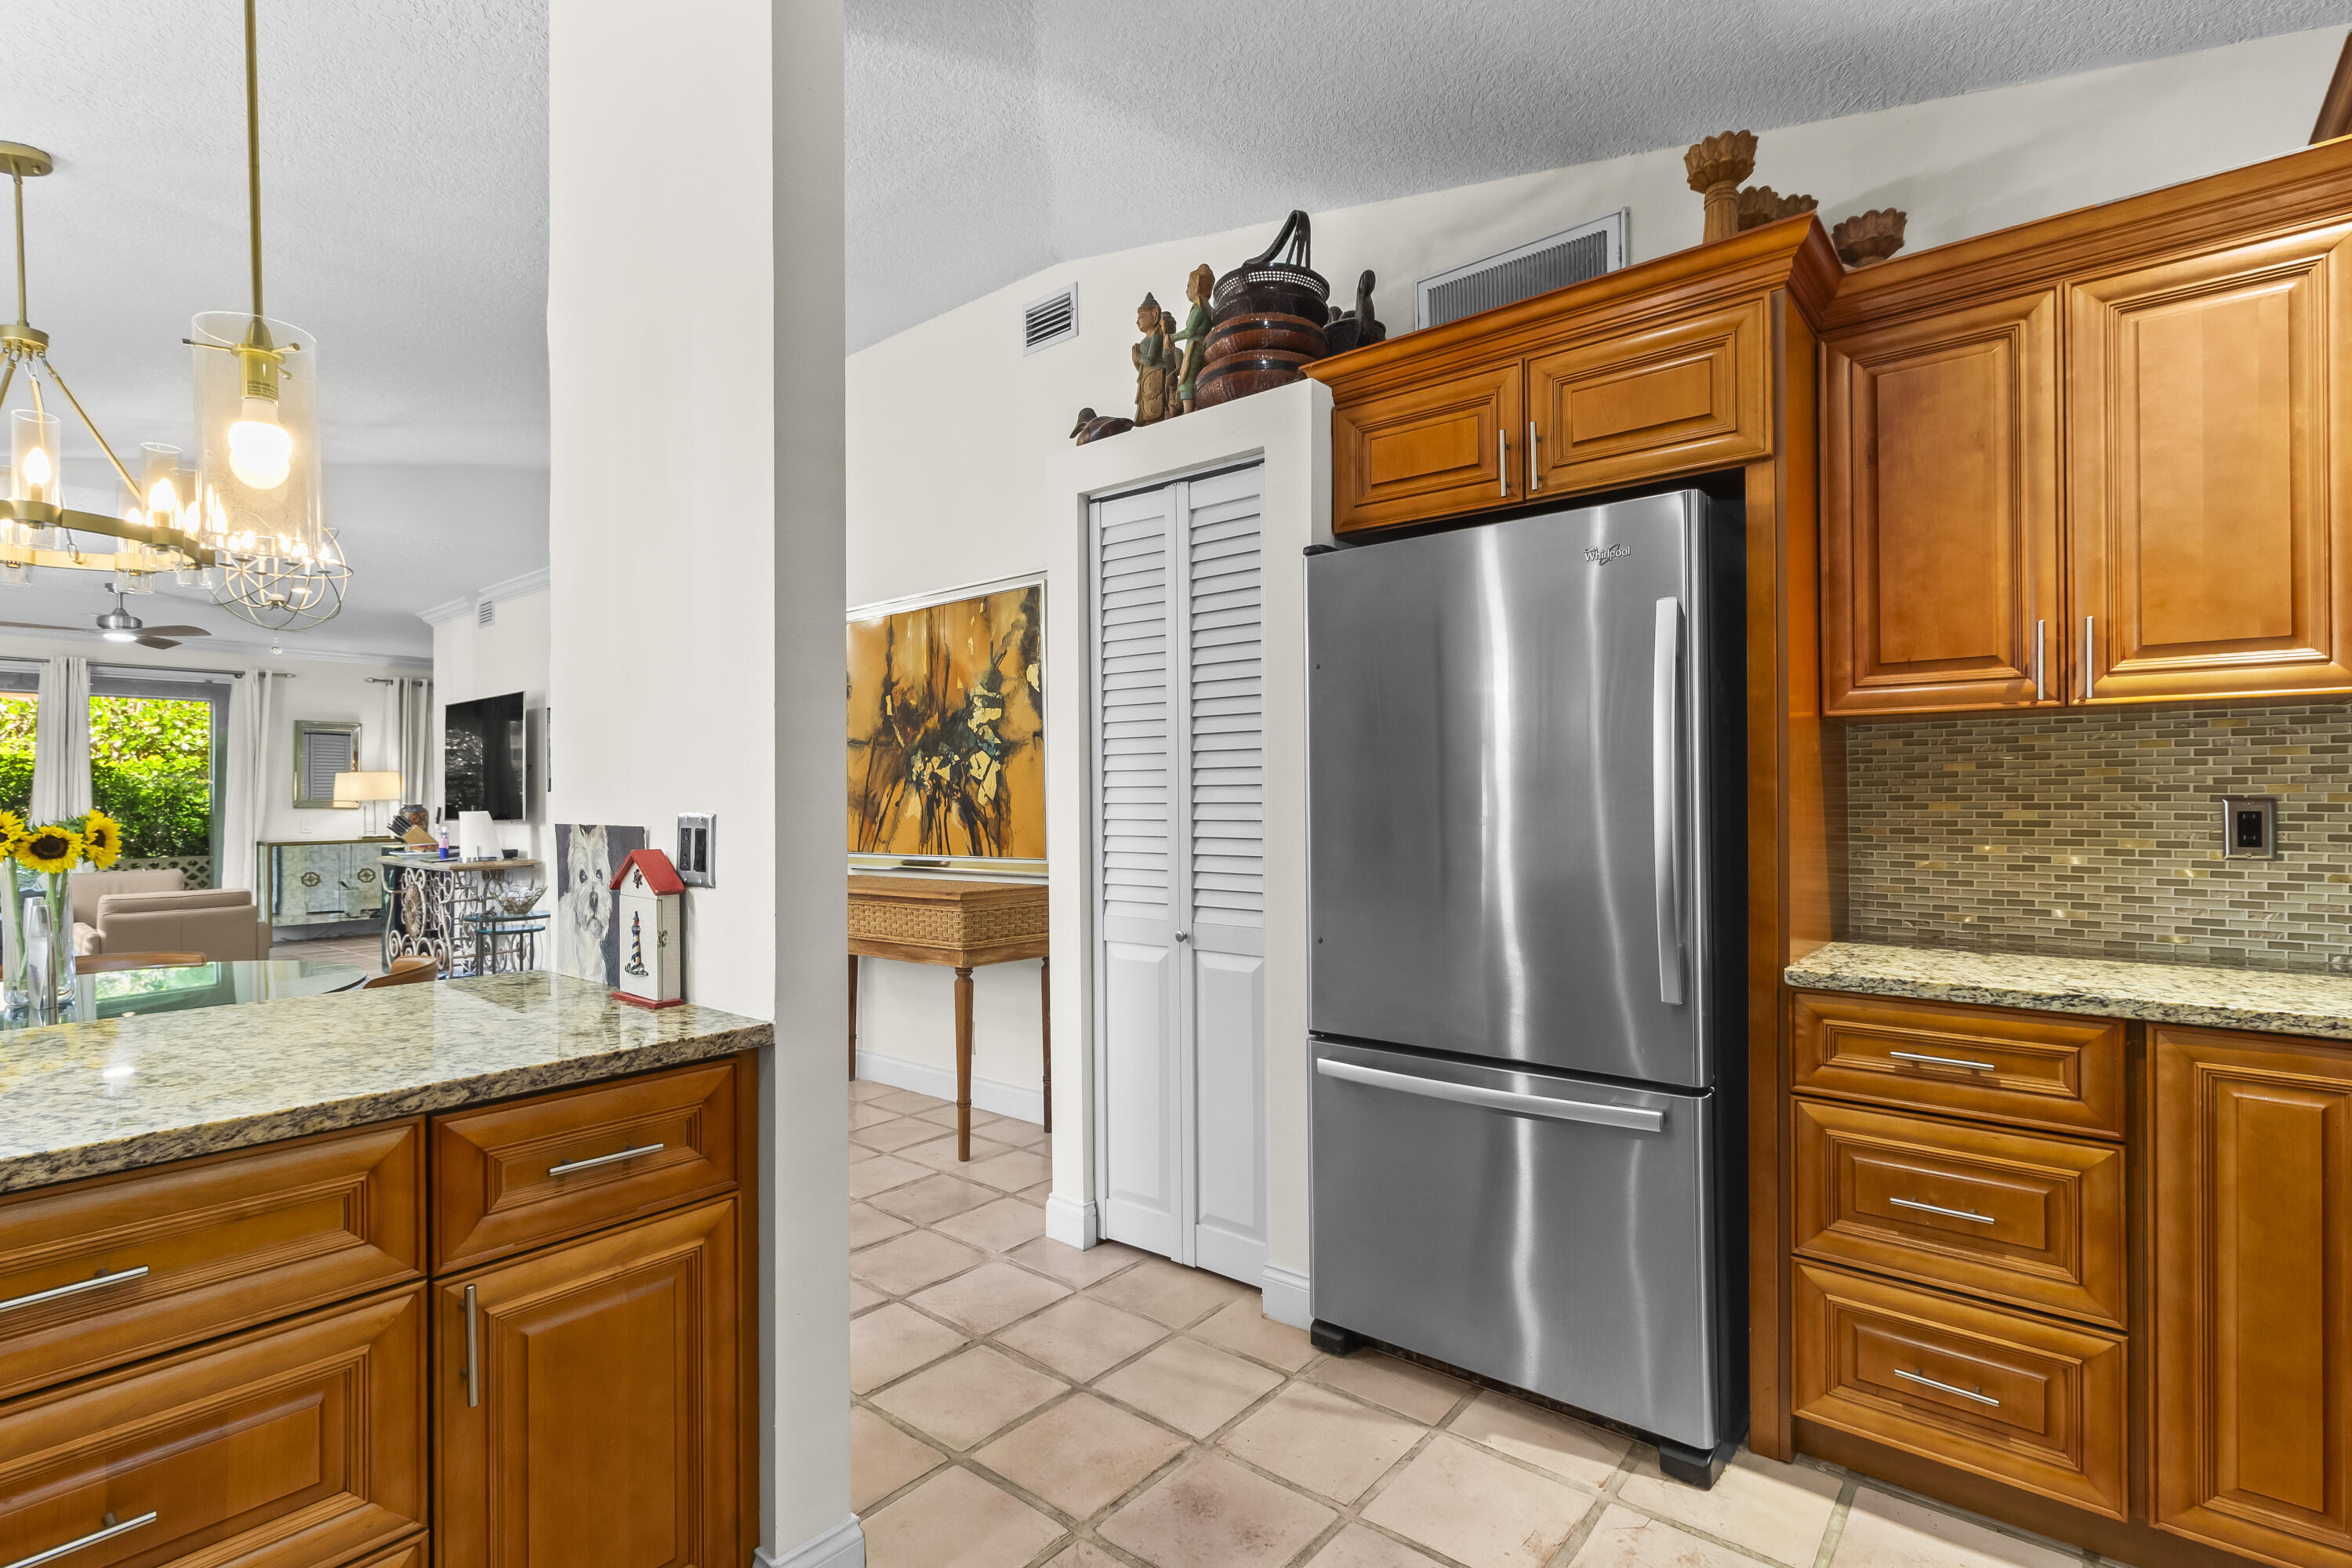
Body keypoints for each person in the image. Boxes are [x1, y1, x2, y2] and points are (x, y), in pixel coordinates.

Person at [1173, 264, 1214, 412]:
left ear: (1196, 285)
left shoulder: (1199, 309)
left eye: (1189, 285)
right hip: (1202, 345)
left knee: (1187, 379)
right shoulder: (1208, 309)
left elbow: (1190, 332)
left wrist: (1172, 338)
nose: (1186, 290)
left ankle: (1187, 410)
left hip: (1195, 346)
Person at [1132, 292, 1174, 424]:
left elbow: (1150, 359)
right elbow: (1142, 366)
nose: (1137, 321)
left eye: (1141, 317)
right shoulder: (1146, 339)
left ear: (1154, 315)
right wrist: (1136, 361)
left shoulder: (1157, 334)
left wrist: (1138, 357)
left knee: (1154, 409)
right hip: (1145, 379)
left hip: (1155, 376)